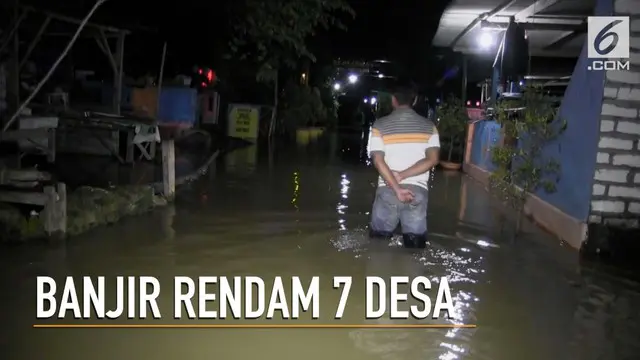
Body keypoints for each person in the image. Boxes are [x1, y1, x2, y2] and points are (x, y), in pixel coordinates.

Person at [367, 83, 440, 248]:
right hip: (417, 193)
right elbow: (433, 159)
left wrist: (396, 186)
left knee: (377, 246)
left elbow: (378, 161)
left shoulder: (379, 126)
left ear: (393, 100)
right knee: (415, 248)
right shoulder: (430, 127)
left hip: (387, 190)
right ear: (414, 101)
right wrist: (403, 176)